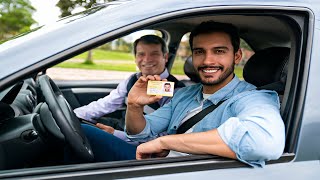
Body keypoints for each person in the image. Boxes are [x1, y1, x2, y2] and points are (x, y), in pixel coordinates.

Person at [79, 21, 285, 167]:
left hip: (180, 170)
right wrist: (134, 106)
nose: (207, 61)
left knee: (84, 135)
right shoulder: (185, 94)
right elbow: (140, 132)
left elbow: (264, 143)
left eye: (219, 51)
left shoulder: (253, 98)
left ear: (237, 56)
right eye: (199, 52)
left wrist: (165, 142)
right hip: (154, 163)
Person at [74, 35, 185, 135]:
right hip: (122, 126)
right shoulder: (132, 80)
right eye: (141, 54)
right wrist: (75, 114)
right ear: (135, 58)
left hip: (141, 143)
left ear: (165, 57)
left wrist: (115, 134)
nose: (147, 59)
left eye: (154, 54)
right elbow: (106, 104)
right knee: (80, 126)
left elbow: (166, 135)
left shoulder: (177, 91)